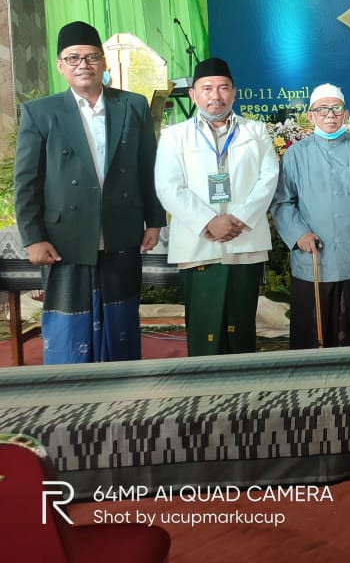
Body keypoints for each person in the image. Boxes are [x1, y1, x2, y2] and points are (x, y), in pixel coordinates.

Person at [13, 20, 165, 363]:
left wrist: (154, 221)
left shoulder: (132, 105)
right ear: (60, 65)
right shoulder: (40, 112)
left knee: (121, 322)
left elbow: (148, 166)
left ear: (104, 62)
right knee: (70, 333)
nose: (84, 65)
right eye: (73, 58)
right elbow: (26, 182)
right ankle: (71, 397)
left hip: (120, 230)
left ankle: (123, 398)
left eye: (92, 57)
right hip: (64, 236)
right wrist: (33, 237)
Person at [155, 57, 279, 356]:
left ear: (234, 93)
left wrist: (239, 218)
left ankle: (243, 393)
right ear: (193, 94)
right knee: (204, 326)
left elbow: (269, 177)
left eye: (223, 88)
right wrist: (208, 221)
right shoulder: (174, 136)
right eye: (207, 88)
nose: (216, 95)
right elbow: (168, 186)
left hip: (244, 239)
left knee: (241, 324)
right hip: (198, 241)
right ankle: (205, 389)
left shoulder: (256, 131)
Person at [271, 84, 350, 350]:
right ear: (311, 115)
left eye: (336, 108)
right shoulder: (295, 155)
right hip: (314, 257)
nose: (329, 114)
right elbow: (282, 201)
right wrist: (298, 233)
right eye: (322, 109)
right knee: (314, 335)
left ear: (346, 114)